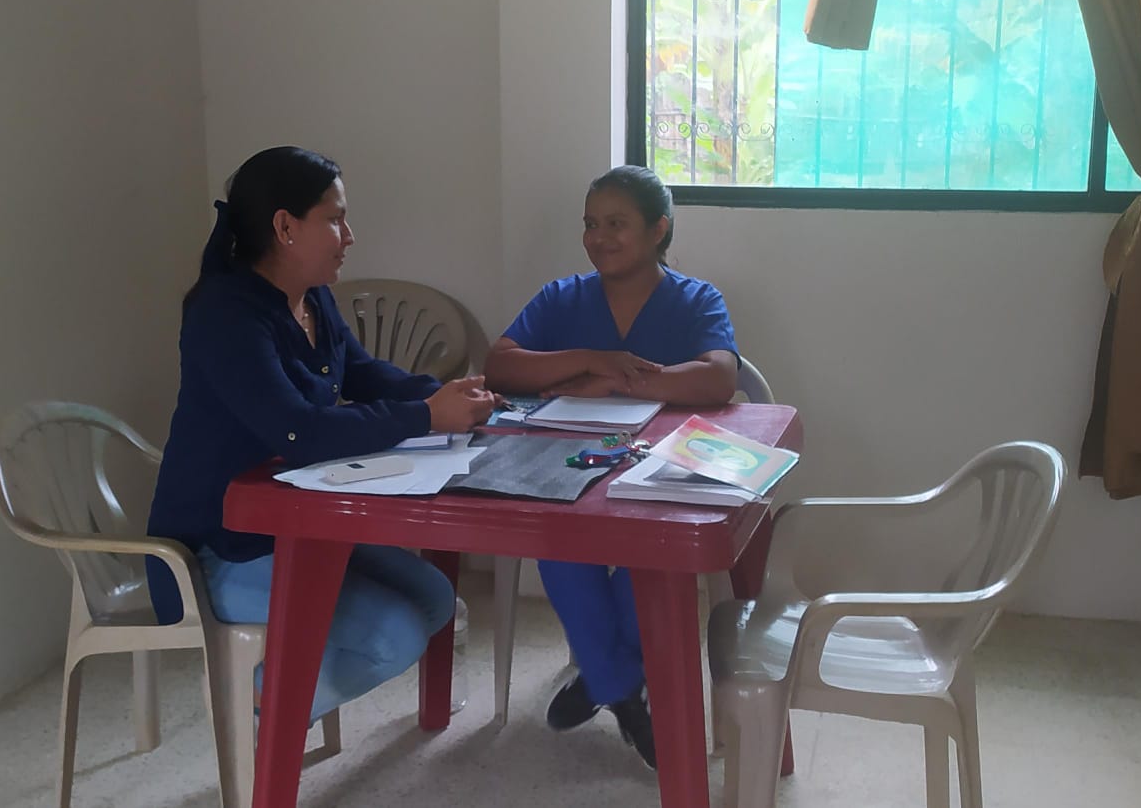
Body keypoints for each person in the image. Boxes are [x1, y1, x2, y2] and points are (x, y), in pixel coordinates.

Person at [146, 145, 495, 723]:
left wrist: (452, 396)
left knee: (435, 599)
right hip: (213, 552)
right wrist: (428, 416)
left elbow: (363, 374)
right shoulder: (225, 314)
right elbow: (298, 432)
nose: (349, 236)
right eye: (335, 219)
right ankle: (255, 705)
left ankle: (278, 686)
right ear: (285, 227)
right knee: (396, 637)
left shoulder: (312, 299)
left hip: (293, 525)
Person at [483, 165, 740, 770]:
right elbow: (501, 366)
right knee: (558, 540)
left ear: (658, 230)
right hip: (566, 463)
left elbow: (718, 378)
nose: (599, 238)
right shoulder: (562, 297)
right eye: (590, 224)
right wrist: (592, 359)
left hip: (662, 469)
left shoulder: (696, 299)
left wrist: (616, 382)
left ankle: (603, 677)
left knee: (650, 552)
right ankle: (621, 686)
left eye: (616, 224)